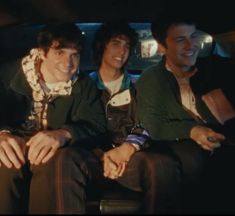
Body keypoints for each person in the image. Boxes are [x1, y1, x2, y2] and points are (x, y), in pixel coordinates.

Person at [0, 23, 107, 214]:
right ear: (42, 53)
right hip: (14, 145)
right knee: (6, 165)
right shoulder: (7, 76)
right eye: (60, 53)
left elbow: (97, 125)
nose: (68, 63)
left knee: (54, 164)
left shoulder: (84, 86)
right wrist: (2, 134)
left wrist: (64, 133)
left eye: (74, 55)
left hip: (55, 154)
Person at [136, 14, 235, 213]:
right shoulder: (152, 79)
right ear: (162, 46)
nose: (192, 45)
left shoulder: (216, 68)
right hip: (180, 147)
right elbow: (154, 125)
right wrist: (193, 130)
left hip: (224, 143)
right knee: (193, 160)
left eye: (194, 36)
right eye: (181, 40)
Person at [89, 22, 181, 214]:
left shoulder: (138, 85)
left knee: (162, 164)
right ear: (101, 46)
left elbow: (149, 120)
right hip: (92, 159)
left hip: (131, 157)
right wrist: (100, 154)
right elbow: (77, 124)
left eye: (127, 46)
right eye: (116, 43)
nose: (122, 51)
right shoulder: (84, 85)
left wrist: (128, 148)